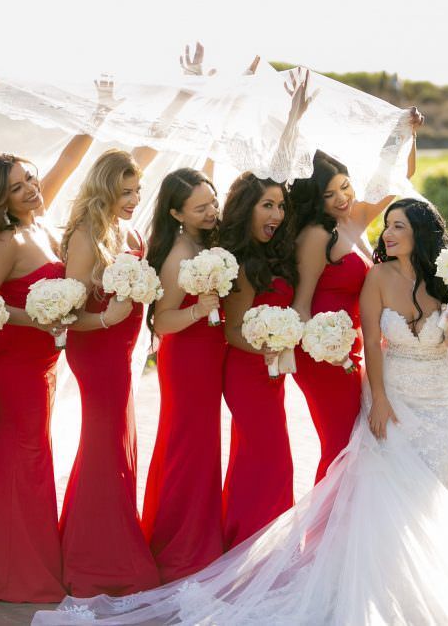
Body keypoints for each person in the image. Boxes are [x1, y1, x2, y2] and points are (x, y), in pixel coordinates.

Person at [35, 199, 448, 626]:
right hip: (395, 394)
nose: (388, 233)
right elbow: (375, 345)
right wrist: (375, 398)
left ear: (421, 235)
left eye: (398, 226)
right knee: (383, 484)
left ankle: (430, 579)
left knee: (436, 491)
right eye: (388, 226)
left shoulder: (446, 283)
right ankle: (359, 579)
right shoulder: (375, 277)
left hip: (444, 396)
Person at [0, 80, 119, 602]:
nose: (32, 188)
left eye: (30, 178)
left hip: (42, 363)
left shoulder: (41, 220)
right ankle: (17, 576)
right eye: (18, 186)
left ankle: (32, 565)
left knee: (35, 456)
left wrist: (98, 113)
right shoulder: (6, 241)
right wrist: (35, 316)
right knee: (24, 457)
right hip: (14, 363)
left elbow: (68, 160)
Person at [288, 106, 422, 483]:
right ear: (315, 200)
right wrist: (328, 352)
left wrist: (406, 132)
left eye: (345, 186)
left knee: (355, 445)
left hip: (350, 350)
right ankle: (320, 538)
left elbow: (399, 177)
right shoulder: (317, 235)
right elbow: (301, 304)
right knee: (340, 445)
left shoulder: (353, 219)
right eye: (329, 194)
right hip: (323, 355)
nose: (342, 198)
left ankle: (338, 535)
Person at [58, 149, 160, 597]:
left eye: (137, 190)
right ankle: (97, 558)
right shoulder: (86, 236)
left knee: (116, 446)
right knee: (105, 446)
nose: (134, 199)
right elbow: (65, 318)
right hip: (96, 349)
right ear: (104, 190)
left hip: (121, 352)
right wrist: (107, 319)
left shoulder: (131, 232)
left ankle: (101, 543)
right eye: (125, 192)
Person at [140, 167, 224, 583]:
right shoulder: (178, 255)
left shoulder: (203, 242)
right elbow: (161, 321)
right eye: (201, 207)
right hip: (187, 358)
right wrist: (200, 308)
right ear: (177, 213)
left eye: (213, 201)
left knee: (203, 445)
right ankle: (179, 543)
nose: (212, 210)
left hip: (207, 356)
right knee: (187, 446)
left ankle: (202, 536)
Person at [218, 172, 299, 549]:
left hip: (271, 373)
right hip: (248, 372)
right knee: (270, 459)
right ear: (246, 208)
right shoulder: (241, 262)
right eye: (267, 204)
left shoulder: (273, 252)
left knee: (260, 458)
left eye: (280, 205)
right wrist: (268, 345)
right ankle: (257, 549)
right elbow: (232, 330)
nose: (278, 214)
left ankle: (253, 545)